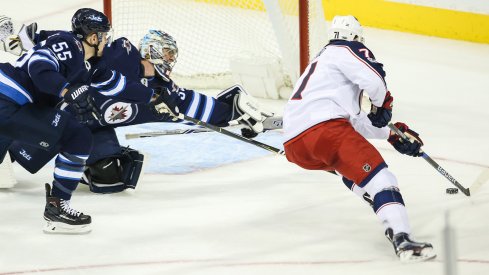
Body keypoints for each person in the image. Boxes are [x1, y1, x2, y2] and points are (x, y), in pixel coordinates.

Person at [1, 16, 274, 193]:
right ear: (153, 51)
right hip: (52, 110)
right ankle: (11, 151)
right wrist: (25, 38)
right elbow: (67, 43)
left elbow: (182, 101)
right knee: (28, 131)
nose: (169, 59)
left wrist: (229, 113)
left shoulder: (157, 87)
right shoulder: (120, 54)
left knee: (112, 178)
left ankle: (70, 163)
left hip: (89, 124)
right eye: (166, 52)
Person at [282, 15, 435, 262]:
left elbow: (353, 120)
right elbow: (374, 78)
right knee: (381, 178)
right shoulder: (346, 49)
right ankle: (403, 239)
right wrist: (382, 104)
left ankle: (388, 217)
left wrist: (391, 135)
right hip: (324, 131)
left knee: (349, 170)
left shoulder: (321, 66)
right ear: (356, 37)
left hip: (295, 145)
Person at [0, 9, 114, 234]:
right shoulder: (70, 44)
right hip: (7, 99)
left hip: (10, 105)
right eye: (104, 36)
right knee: (77, 137)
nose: (105, 41)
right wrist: (66, 90)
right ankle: (58, 208)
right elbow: (39, 67)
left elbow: (33, 40)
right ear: (93, 37)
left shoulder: (79, 62)